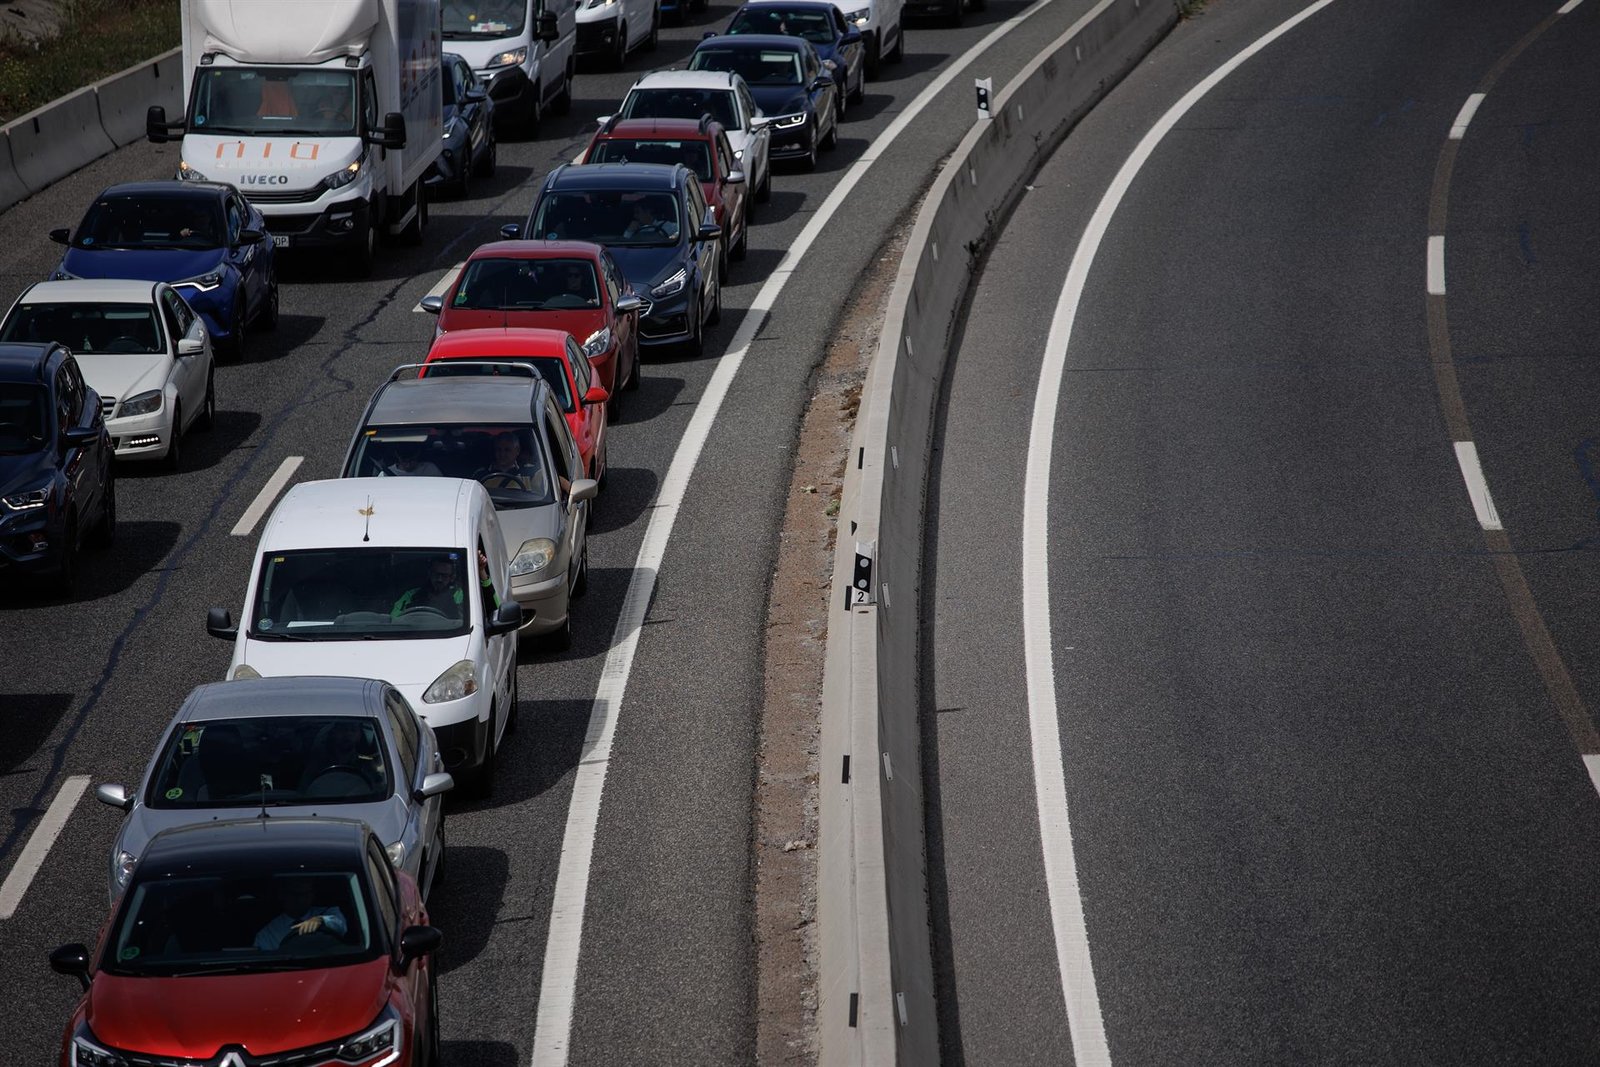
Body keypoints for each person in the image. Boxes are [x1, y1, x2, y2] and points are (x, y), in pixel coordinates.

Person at [391, 550, 496, 618]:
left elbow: (493, 610)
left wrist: (481, 570)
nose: (440, 579)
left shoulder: (463, 595)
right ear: (430, 573)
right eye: (436, 574)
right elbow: (393, 621)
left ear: (452, 577)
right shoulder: (410, 596)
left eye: (444, 575)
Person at [254, 877, 348, 951]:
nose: (301, 899)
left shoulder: (329, 912)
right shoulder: (267, 933)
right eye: (295, 894)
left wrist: (320, 920)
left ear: (312, 895)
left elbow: (341, 926)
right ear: (282, 895)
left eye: (306, 894)